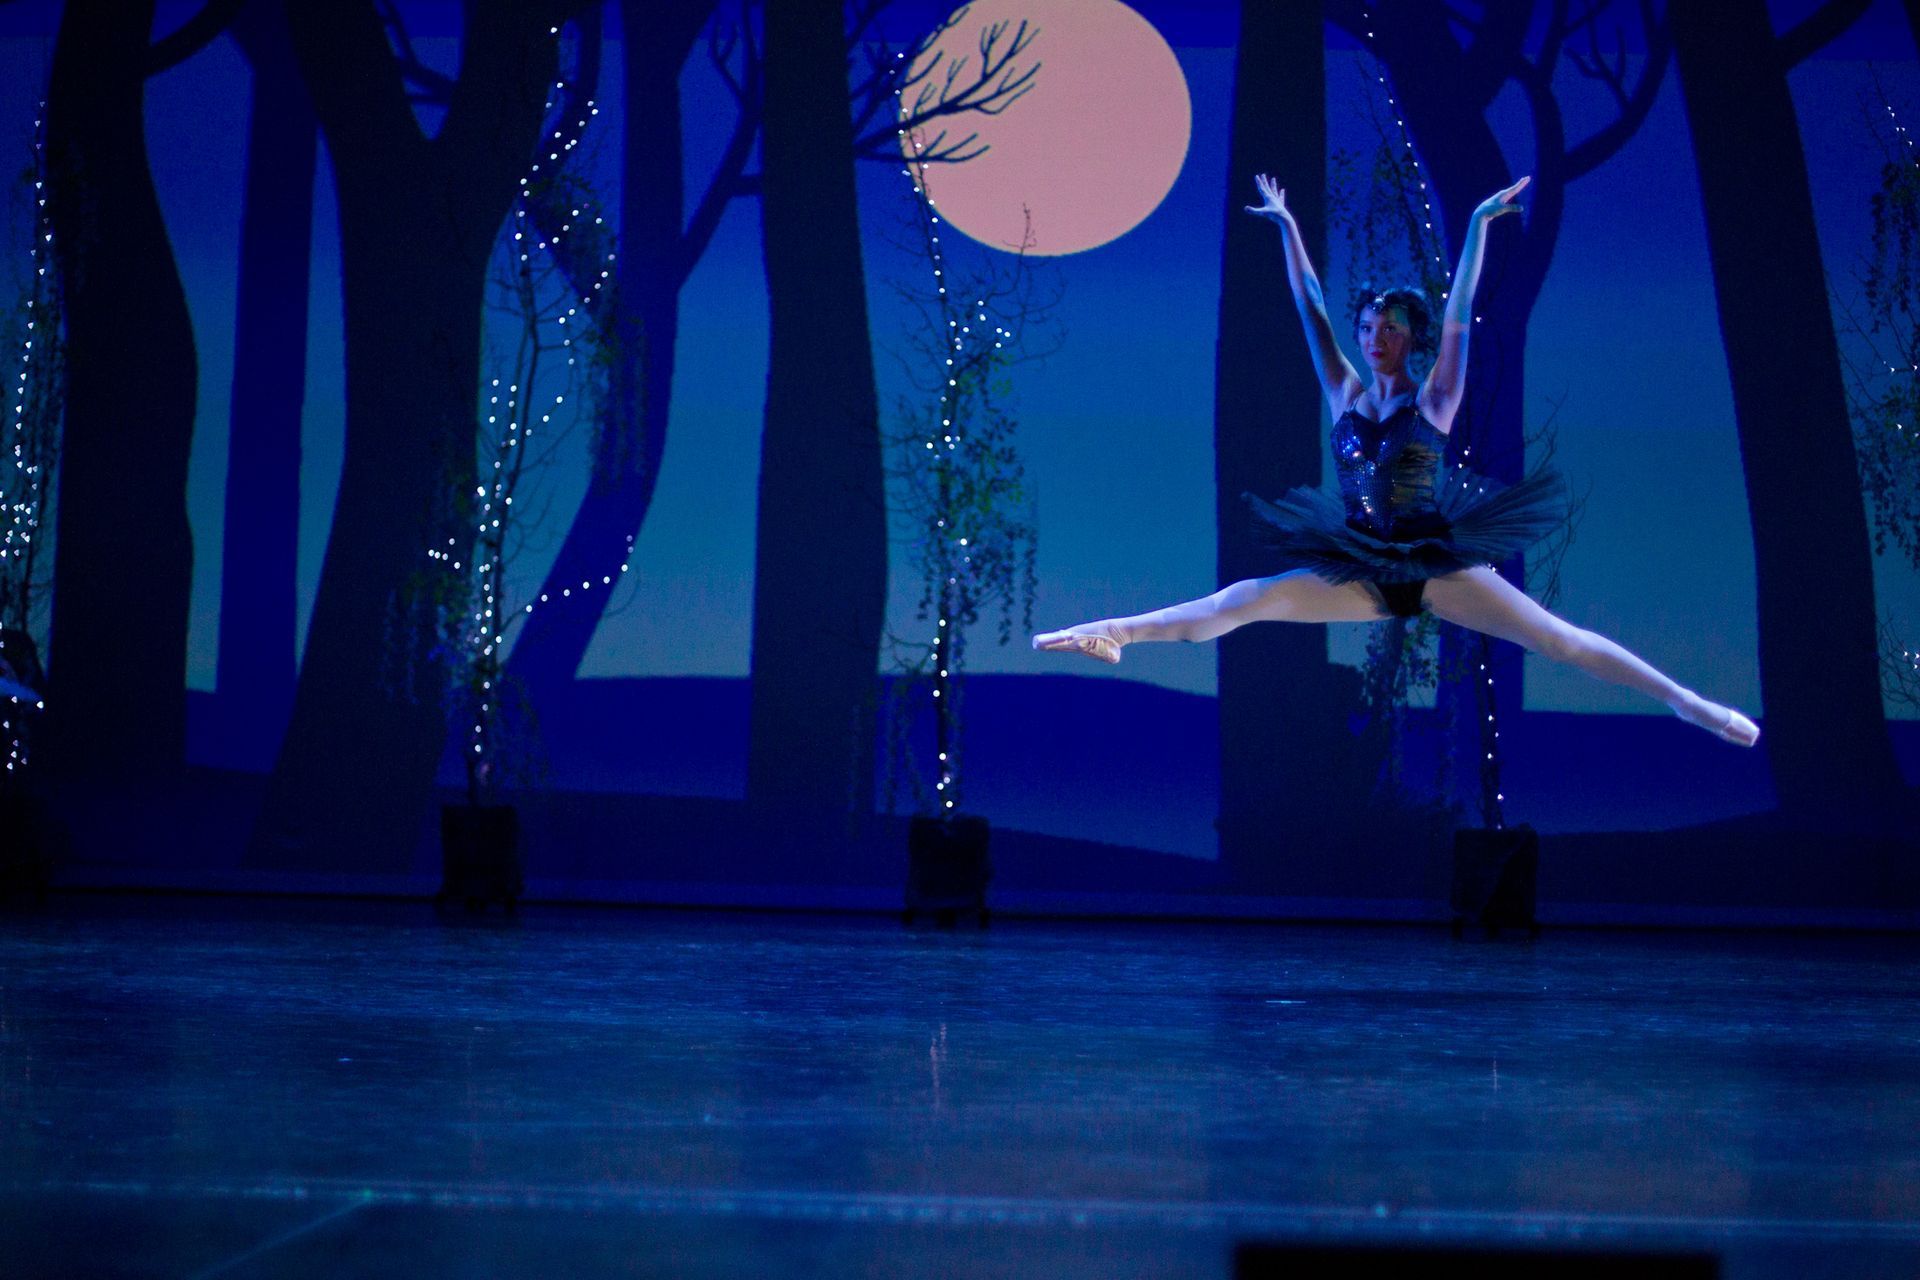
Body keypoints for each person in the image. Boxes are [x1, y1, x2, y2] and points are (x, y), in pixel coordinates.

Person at [1032, 173, 1759, 747]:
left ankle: (1685, 702)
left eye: (1389, 328)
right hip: (1361, 565)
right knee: (1243, 601)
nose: (1375, 337)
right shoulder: (1344, 392)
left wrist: (1478, 226)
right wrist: (1288, 227)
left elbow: (1460, 313)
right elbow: (1310, 306)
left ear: (1409, 338)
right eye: (1368, 327)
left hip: (1434, 564)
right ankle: (1115, 632)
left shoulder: (1435, 397)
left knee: (1557, 640)